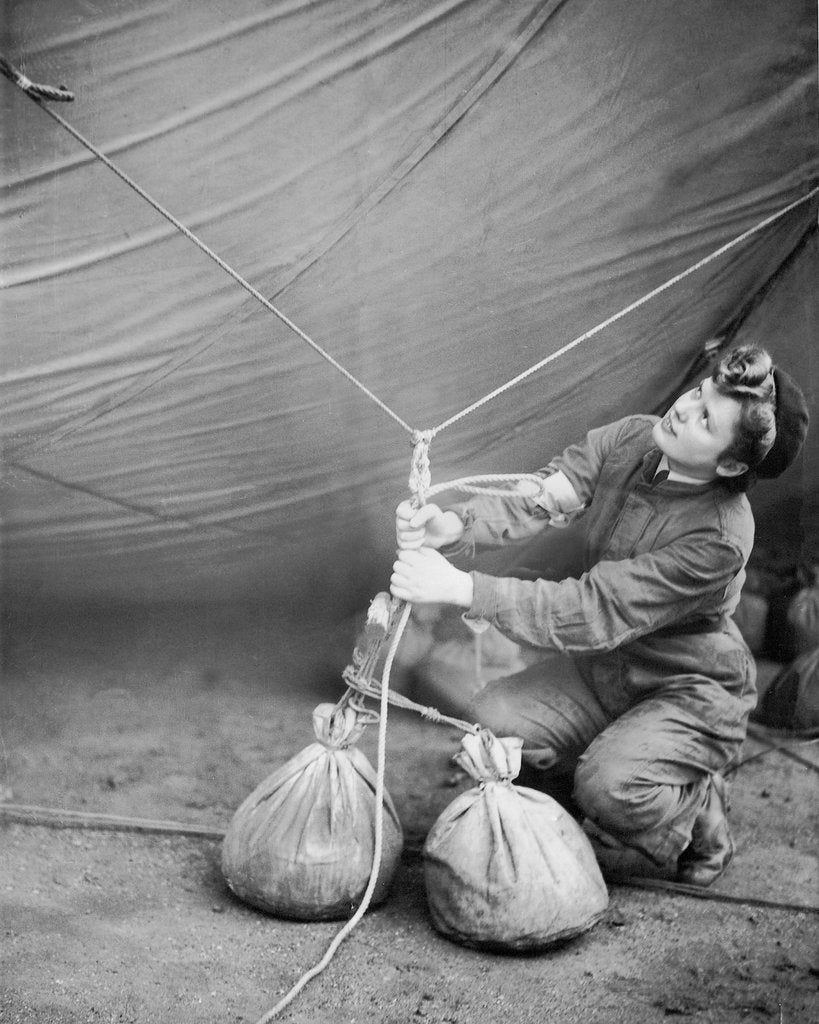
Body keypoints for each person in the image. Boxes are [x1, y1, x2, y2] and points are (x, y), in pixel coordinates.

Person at [390, 345, 809, 887]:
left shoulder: (722, 537)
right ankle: (568, 808)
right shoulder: (634, 437)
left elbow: (595, 609)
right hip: (606, 665)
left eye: (706, 419)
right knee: (495, 717)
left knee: (610, 788)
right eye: (698, 393)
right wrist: (454, 526)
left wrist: (463, 588)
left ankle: (696, 808)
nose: (683, 408)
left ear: (730, 463)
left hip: (686, 684)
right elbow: (544, 496)